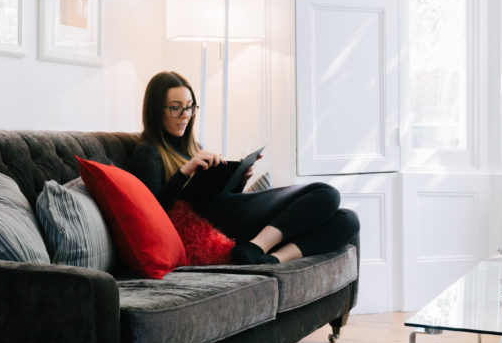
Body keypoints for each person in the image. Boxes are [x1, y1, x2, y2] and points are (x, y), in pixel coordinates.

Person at [131, 70, 360, 265]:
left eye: (190, 107)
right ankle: (256, 246)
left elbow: (217, 195)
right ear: (156, 110)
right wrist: (184, 172)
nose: (185, 116)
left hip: (229, 215)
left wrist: (238, 178)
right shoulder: (148, 152)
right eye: (176, 108)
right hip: (213, 223)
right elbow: (152, 212)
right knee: (325, 193)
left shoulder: (193, 147)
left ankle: (272, 259)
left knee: (348, 219)